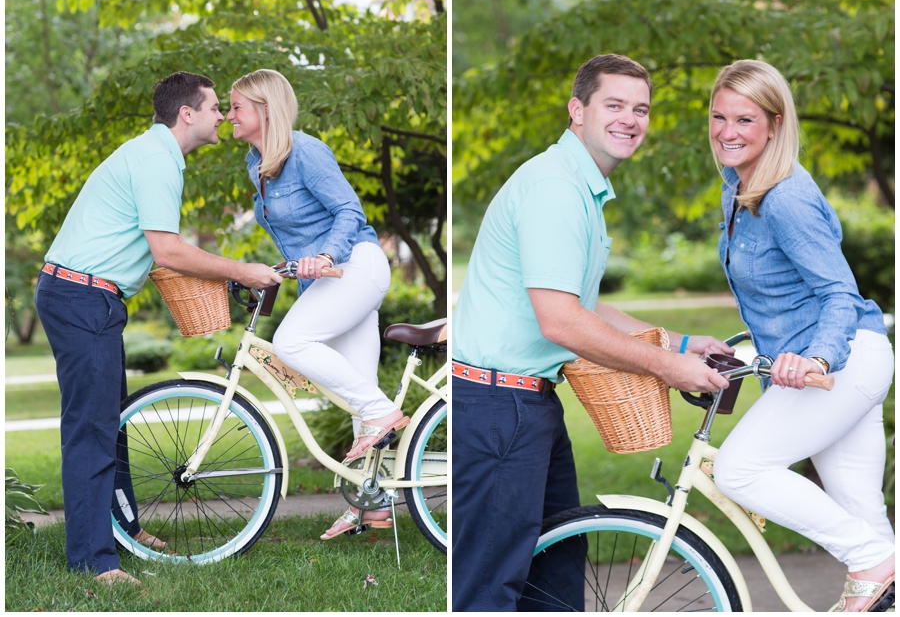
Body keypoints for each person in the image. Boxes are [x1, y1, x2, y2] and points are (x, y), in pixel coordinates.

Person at [451, 53, 734, 611]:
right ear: (577, 110)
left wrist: (678, 342)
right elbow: (560, 320)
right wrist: (665, 366)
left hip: (527, 405)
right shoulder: (556, 188)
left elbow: (583, 304)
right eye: (615, 105)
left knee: (553, 583)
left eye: (641, 109)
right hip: (496, 406)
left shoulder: (580, 188)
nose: (631, 119)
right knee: (490, 588)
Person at [34, 71, 284, 585]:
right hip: (82, 297)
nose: (223, 115)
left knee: (112, 422)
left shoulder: (157, 156)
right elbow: (167, 250)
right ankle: (94, 562)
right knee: (92, 431)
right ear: (186, 113)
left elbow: (157, 250)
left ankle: (123, 526)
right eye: (216, 106)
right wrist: (243, 270)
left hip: (90, 297)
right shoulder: (156, 162)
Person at [705, 59, 894, 613]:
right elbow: (780, 293)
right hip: (836, 363)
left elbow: (838, 292)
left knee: (739, 468)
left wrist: (815, 358)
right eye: (719, 117)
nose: (728, 131)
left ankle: (871, 558)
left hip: (839, 363)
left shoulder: (784, 196)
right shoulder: (738, 186)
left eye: (744, 119)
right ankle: (878, 562)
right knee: (864, 513)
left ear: (774, 123)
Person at [227, 68, 403, 540]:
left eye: (236, 107)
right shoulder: (255, 163)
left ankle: (385, 415)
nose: (228, 116)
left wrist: (324, 254)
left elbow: (349, 212)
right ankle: (373, 504)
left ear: (265, 110)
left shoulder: (305, 151)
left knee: (290, 341)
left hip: (355, 267)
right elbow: (294, 239)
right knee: (355, 395)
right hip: (328, 283)